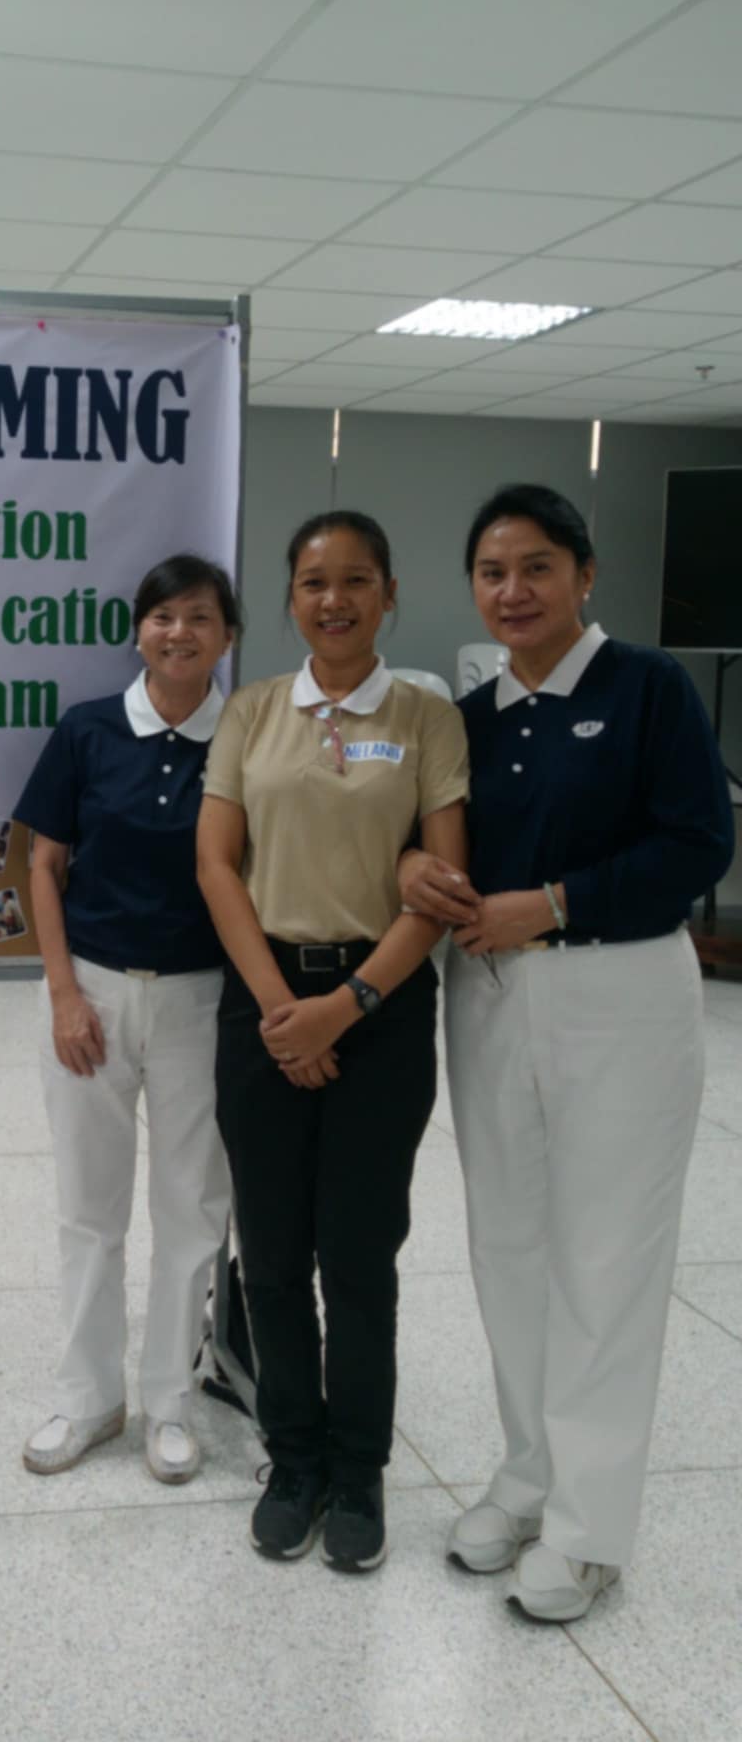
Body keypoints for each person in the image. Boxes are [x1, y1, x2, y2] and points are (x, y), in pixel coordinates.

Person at [400, 483, 732, 1623]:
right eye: (492, 572)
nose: (513, 591)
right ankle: (527, 1474)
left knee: (607, 1259)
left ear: (585, 574)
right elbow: (427, 836)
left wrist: (552, 901)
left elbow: (698, 840)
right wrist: (415, 874)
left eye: (536, 566)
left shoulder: (648, 688)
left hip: (618, 996)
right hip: (490, 999)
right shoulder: (475, 715)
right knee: (512, 1248)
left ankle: (590, 1528)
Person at [198, 511, 469, 1573]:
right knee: (270, 1253)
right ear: (292, 596)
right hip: (263, 997)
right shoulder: (254, 711)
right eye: (314, 581)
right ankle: (292, 1457)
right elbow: (220, 866)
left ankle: (358, 1470)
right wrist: (281, 1012)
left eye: (357, 580)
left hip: (383, 1007)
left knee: (358, 1255)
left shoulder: (424, 717)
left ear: (389, 593)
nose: (335, 599)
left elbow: (440, 885)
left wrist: (342, 1006)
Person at [15, 552, 239, 1487]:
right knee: (88, 1206)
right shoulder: (89, 730)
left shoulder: (249, 737)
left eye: (199, 618)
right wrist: (64, 992)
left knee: (192, 1208)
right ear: (138, 629)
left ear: (226, 637)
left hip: (203, 998)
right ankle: (88, 1397)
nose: (178, 633)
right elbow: (41, 864)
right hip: (93, 993)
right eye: (162, 616)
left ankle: (171, 1405)